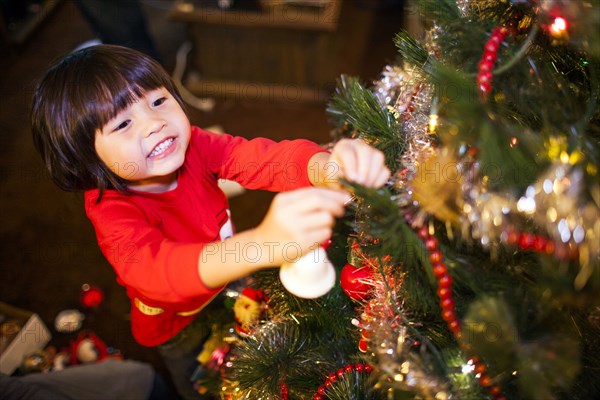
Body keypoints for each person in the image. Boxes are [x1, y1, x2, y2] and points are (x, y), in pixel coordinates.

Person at [30, 45, 390, 399]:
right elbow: (157, 273)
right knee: (198, 382)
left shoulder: (195, 146)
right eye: (123, 123)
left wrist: (325, 167)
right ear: (86, 160)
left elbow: (259, 158)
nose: (154, 124)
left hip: (230, 273)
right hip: (177, 322)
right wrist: (261, 245)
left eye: (158, 102)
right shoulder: (112, 209)